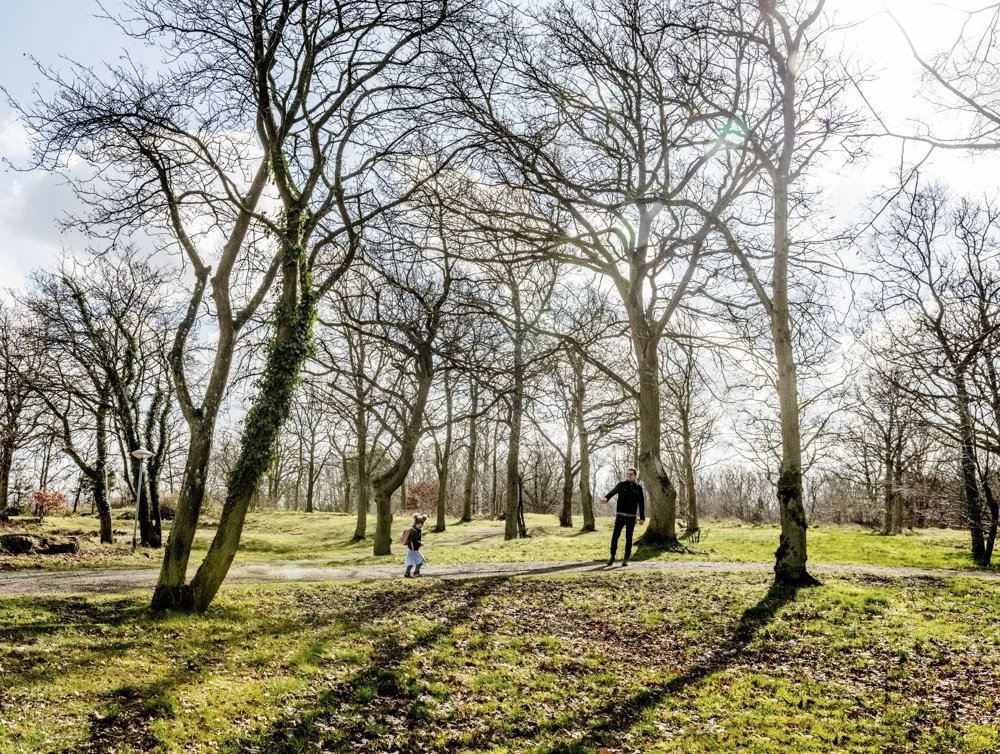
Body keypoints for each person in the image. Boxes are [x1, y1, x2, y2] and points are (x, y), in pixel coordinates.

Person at [600, 467, 645, 567]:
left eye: (631, 474)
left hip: (631, 517)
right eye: (627, 474)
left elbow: (641, 503)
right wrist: (606, 498)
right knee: (615, 536)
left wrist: (642, 517)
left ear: (635, 475)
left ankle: (626, 558)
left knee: (629, 538)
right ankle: (612, 556)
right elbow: (612, 492)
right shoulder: (621, 485)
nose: (629, 476)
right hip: (620, 515)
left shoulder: (638, 488)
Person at [404, 513, 427, 578]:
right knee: (411, 563)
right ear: (415, 523)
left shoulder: (418, 530)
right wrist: (420, 543)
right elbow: (413, 540)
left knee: (420, 560)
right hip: (411, 549)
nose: (420, 525)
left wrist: (419, 543)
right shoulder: (414, 531)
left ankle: (416, 572)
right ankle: (407, 574)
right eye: (418, 524)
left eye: (421, 524)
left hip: (415, 549)